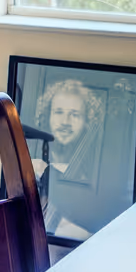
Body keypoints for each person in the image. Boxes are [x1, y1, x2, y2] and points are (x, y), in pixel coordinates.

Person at [31, 77, 112, 240]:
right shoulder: (32, 164)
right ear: (48, 116)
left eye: (75, 115)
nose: (65, 122)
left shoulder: (95, 176)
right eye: (58, 112)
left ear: (87, 122)